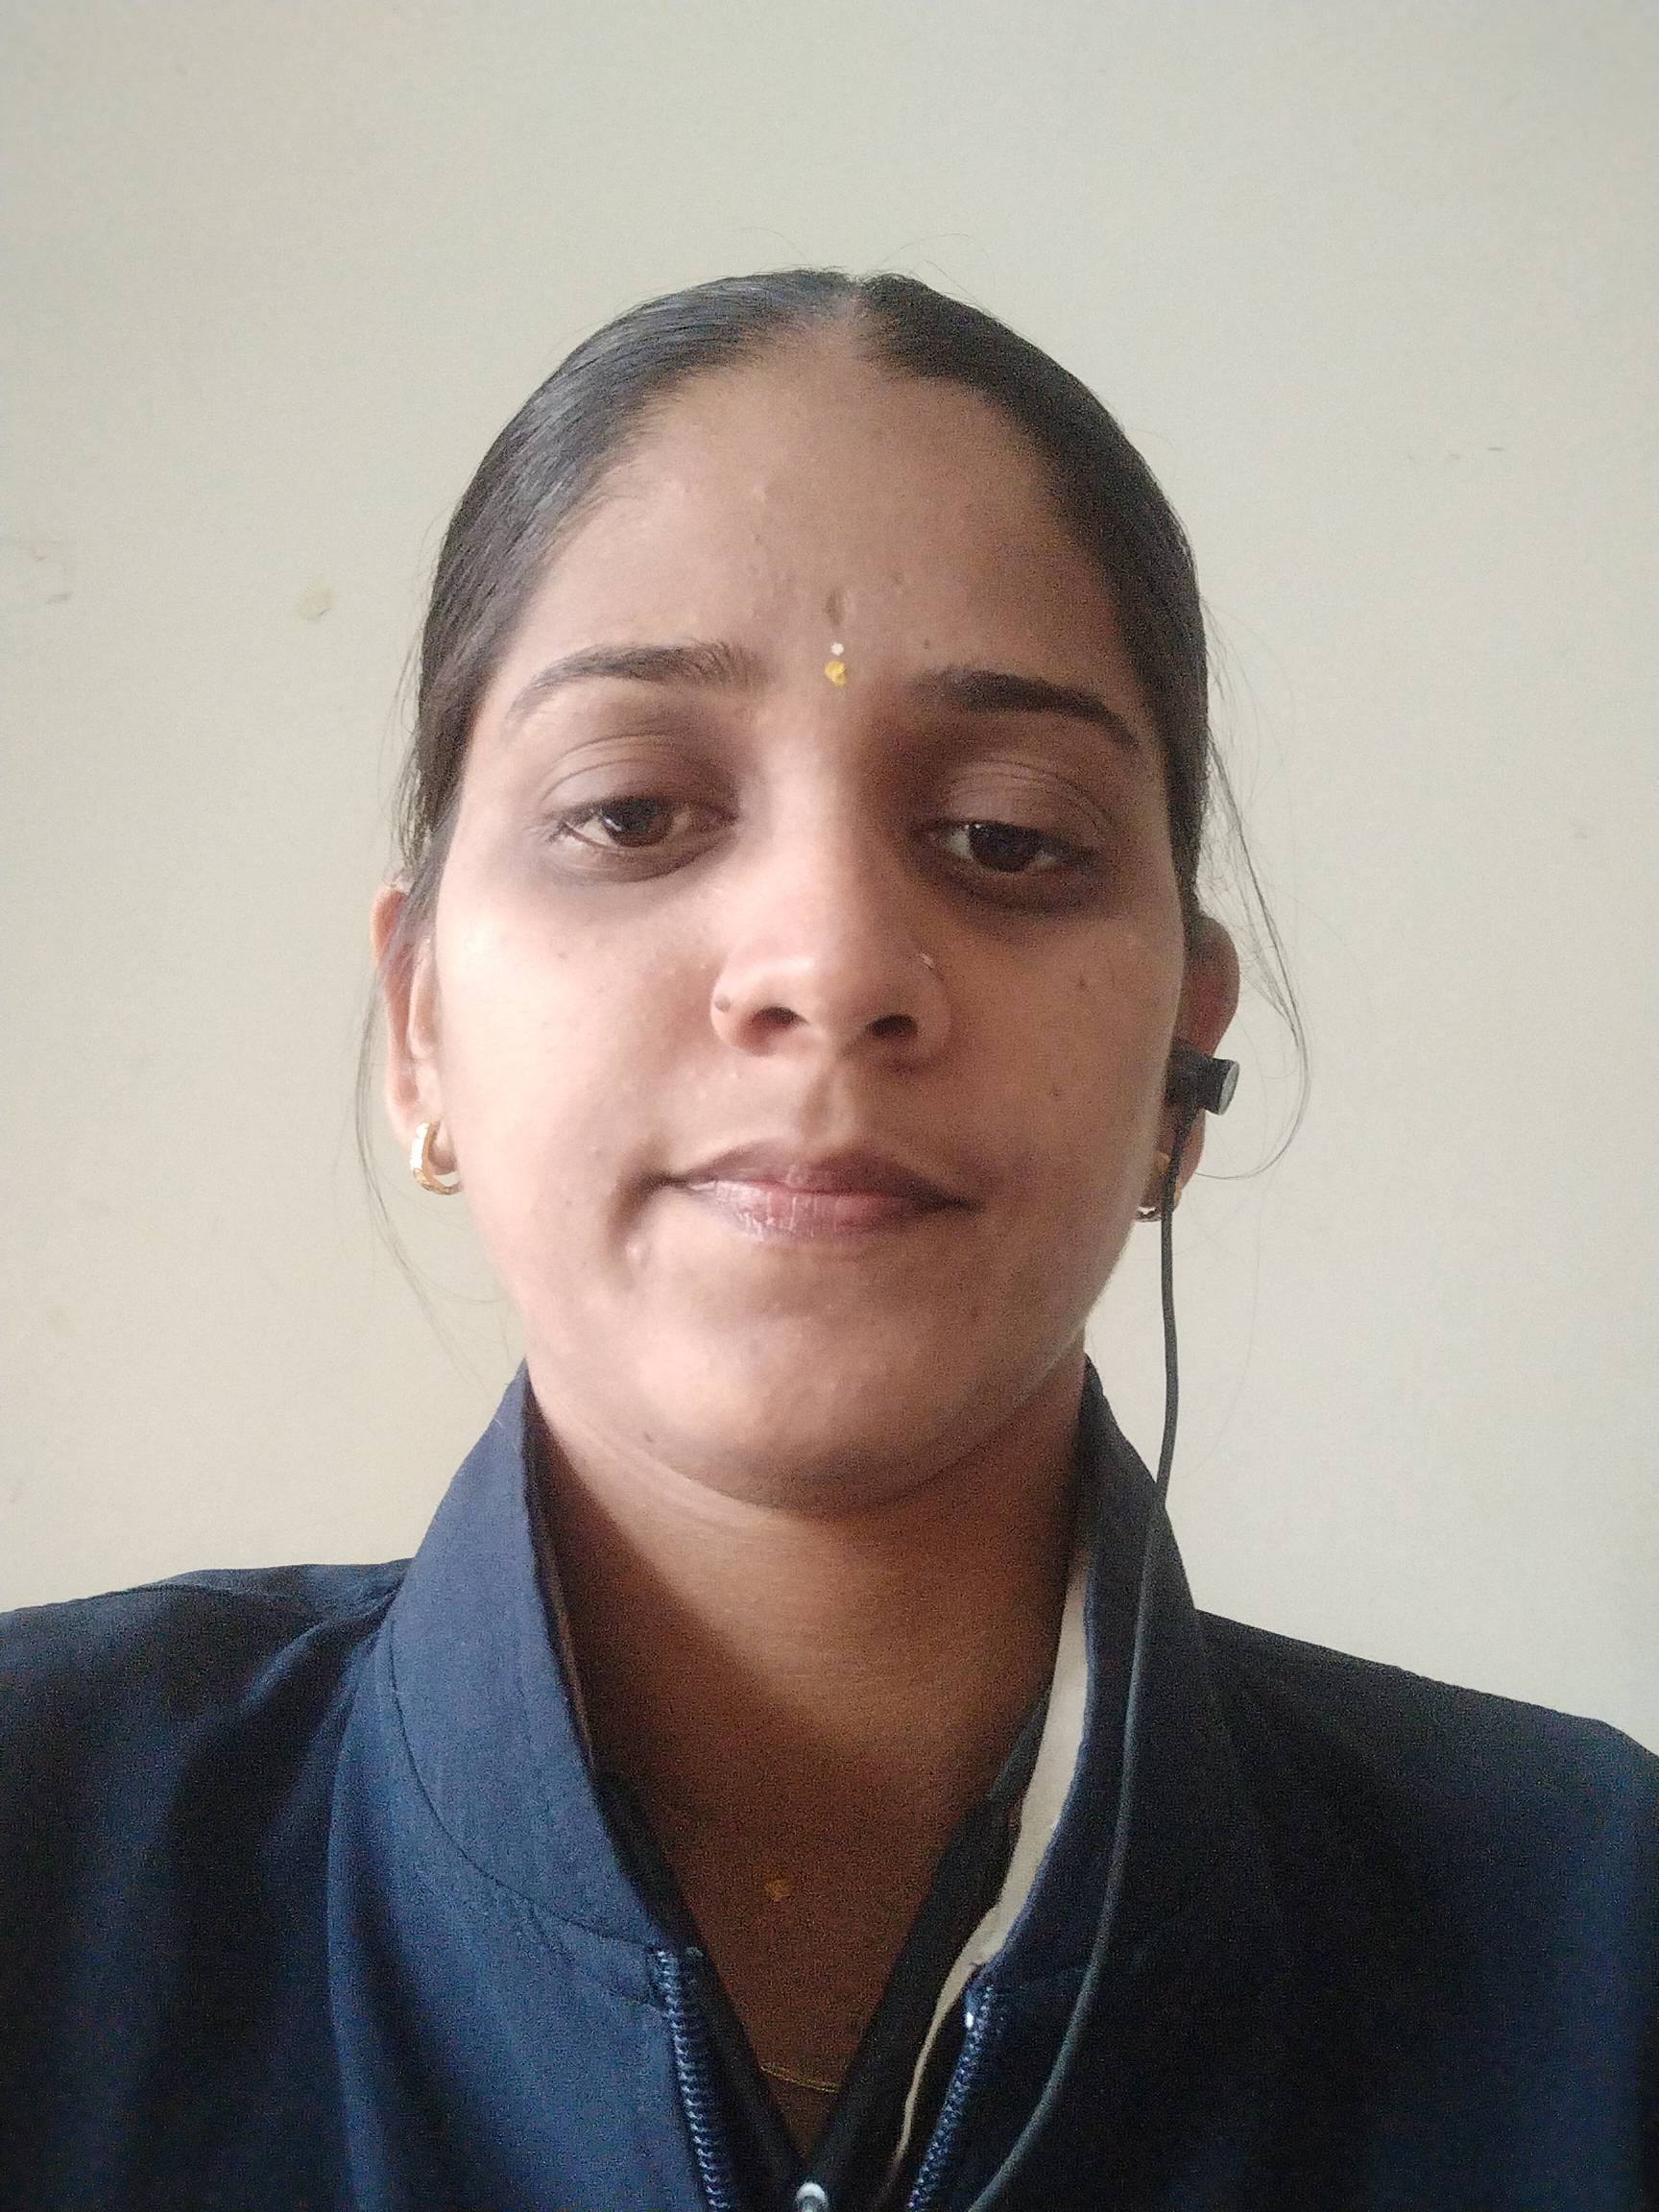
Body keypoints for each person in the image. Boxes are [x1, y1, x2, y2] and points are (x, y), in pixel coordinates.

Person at [1, 272, 1653, 2212]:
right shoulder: (44, 1850)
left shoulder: (1591, 1950)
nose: (834, 960)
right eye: (634, 811)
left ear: (1180, 1058)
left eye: (1009, 836)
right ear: (420, 1023)